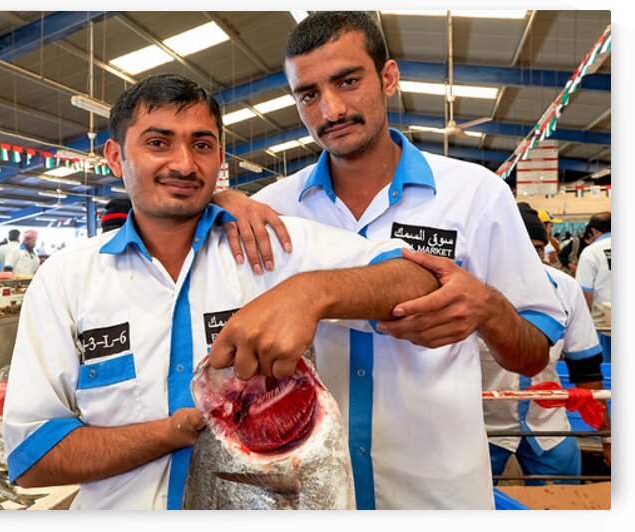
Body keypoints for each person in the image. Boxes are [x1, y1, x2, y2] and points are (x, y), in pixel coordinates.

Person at [2, 73, 440, 510]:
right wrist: (171, 432)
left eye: (202, 144)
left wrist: (311, 292)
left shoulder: (272, 246)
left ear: (220, 156)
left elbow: (420, 281)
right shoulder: (66, 279)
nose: (184, 164)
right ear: (116, 157)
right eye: (158, 143)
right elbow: (32, 457)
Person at [209, 12, 565, 509]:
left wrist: (488, 310)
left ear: (389, 78)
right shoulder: (274, 209)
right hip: (314, 493)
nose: (330, 109)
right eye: (308, 94)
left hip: (438, 495)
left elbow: (533, 354)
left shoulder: (474, 195)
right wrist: (213, 204)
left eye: (348, 81)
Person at [482, 203, 610, 486]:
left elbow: (586, 369)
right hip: (481, 424)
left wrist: (608, 438)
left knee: (563, 498)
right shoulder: (471, 290)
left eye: (538, 249)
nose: (530, 259)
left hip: (547, 422)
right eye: (520, 248)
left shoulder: (565, 288)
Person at [575, 211, 611, 362]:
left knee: (609, 371)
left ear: (594, 231)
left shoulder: (591, 252)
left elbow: (585, 293)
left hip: (605, 324)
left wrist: (583, 325)